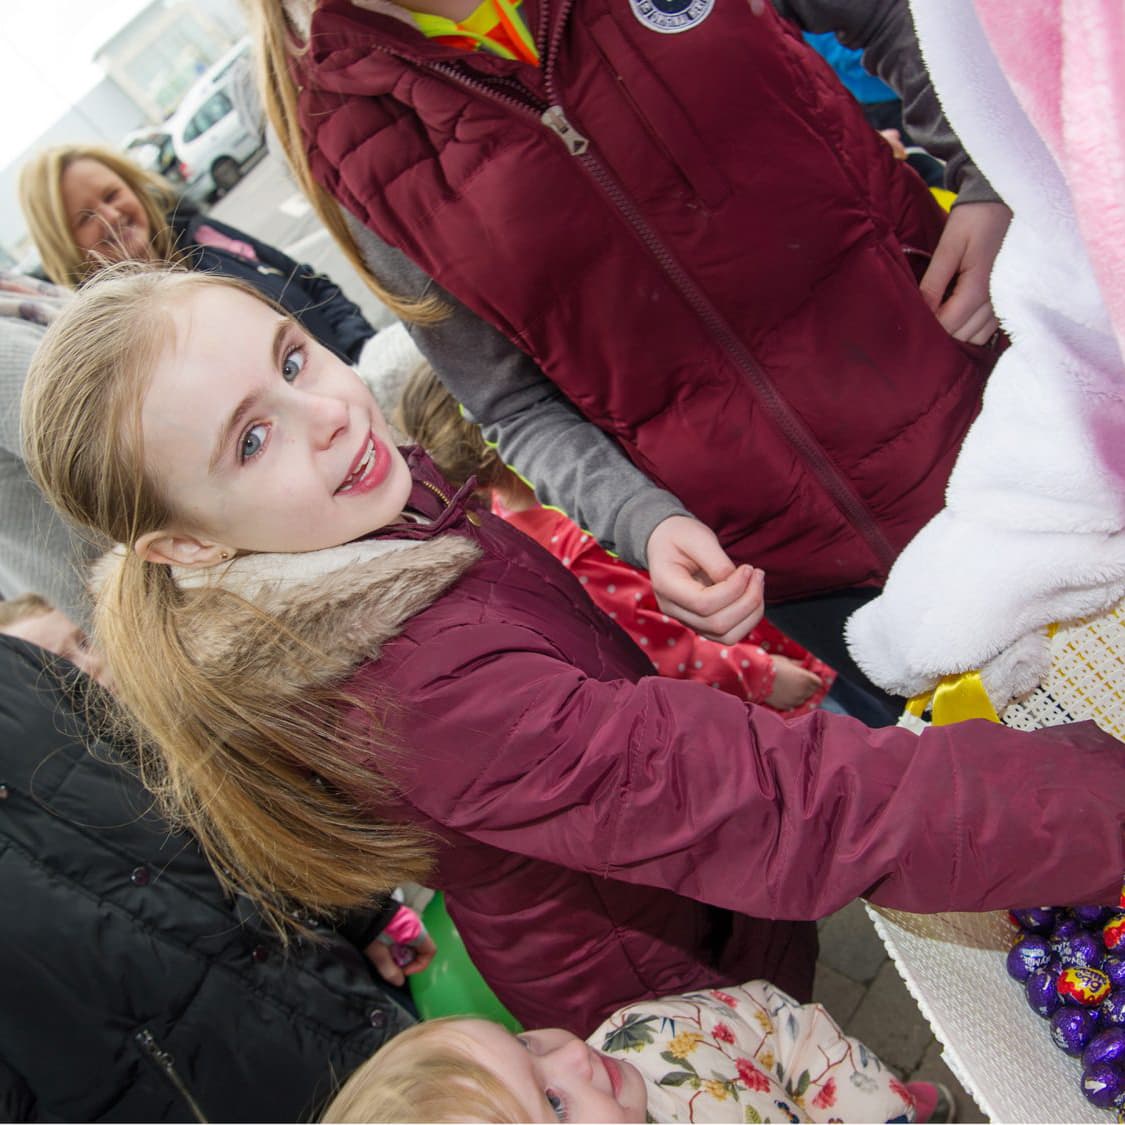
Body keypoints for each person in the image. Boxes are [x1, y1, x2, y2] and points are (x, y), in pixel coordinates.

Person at [21, 268, 1125, 1039]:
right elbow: (787, 804)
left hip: (683, 893)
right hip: (662, 967)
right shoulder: (410, 687)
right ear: (186, 545)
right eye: (251, 439)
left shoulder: (351, 527)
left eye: (294, 358)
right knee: (799, 1050)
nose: (326, 417)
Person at [246, 0, 1013, 721]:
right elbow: (509, 401)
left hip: (1005, 409)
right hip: (809, 574)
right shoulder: (336, 130)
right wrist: (642, 522)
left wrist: (992, 174)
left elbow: (898, 16)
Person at [0, 600, 421, 1122]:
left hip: (333, 999)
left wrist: (363, 914)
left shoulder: (14, 673)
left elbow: (210, 810)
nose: (89, 664)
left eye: (84, 644)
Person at [397, 361, 832, 714]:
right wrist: (763, 676)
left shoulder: (508, 522)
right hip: (759, 675)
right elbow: (666, 648)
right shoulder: (577, 540)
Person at [323, 981, 952, 1123]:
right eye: (554, 1103)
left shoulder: (649, 1036)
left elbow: (780, 1026)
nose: (574, 1055)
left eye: (523, 1042)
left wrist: (869, 1106)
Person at [18, 143, 377, 364]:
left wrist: (363, 354)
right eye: (86, 217)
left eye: (112, 195)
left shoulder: (203, 234)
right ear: (64, 245)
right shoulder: (116, 343)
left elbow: (312, 284)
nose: (111, 216)